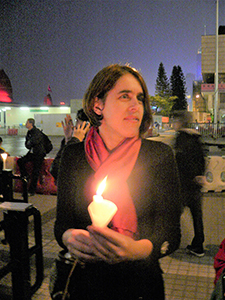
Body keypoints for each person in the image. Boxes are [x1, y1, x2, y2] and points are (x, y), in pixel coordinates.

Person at [52, 64, 181, 300]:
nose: (136, 107)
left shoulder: (159, 155)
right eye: (124, 96)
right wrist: (69, 237)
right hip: (84, 284)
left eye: (140, 99)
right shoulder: (73, 156)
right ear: (97, 104)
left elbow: (171, 232)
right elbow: (61, 223)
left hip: (141, 284)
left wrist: (137, 249)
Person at [172, 110, 206, 257]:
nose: (174, 124)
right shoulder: (196, 137)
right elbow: (202, 159)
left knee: (172, 213)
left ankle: (169, 242)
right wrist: (200, 175)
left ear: (180, 122)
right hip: (196, 185)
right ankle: (198, 246)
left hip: (183, 185)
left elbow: (180, 162)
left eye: (175, 121)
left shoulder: (181, 138)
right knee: (197, 216)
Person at [50, 109, 90, 183]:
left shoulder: (86, 146)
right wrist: (68, 139)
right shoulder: (74, 141)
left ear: (86, 124)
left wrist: (74, 140)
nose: (75, 126)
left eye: (77, 121)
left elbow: (57, 169)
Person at [17, 118, 46, 196]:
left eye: (27, 122)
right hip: (32, 153)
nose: (26, 124)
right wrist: (29, 143)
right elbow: (27, 144)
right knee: (20, 161)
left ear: (31, 124)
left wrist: (30, 143)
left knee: (35, 172)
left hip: (39, 154)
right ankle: (25, 175)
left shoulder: (37, 132)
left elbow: (34, 142)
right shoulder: (29, 132)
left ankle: (31, 191)